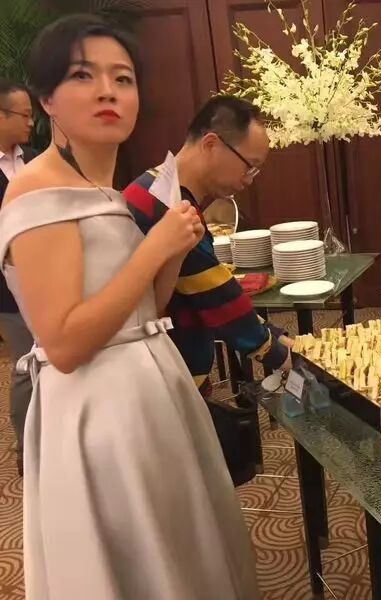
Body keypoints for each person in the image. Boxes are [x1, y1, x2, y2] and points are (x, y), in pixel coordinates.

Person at [0, 15, 259, 599]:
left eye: (123, 78)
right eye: (82, 76)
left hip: (149, 392)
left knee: (178, 554)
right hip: (99, 412)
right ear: (46, 100)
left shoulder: (110, 193)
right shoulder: (36, 191)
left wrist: (173, 251)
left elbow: (145, 310)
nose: (107, 92)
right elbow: (65, 344)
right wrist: (154, 250)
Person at [124, 96, 292, 398]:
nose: (249, 180)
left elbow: (209, 282)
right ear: (212, 144)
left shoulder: (157, 185)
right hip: (161, 378)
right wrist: (279, 352)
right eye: (250, 166)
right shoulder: (166, 204)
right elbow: (216, 297)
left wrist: (275, 338)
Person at [0, 78, 36, 475]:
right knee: (28, 363)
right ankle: (28, 448)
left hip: (51, 276)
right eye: (23, 115)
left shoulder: (38, 161)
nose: (31, 122)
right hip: (8, 290)